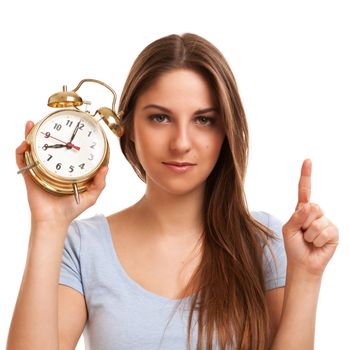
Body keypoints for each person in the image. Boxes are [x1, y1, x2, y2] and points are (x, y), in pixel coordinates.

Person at [8, 33, 338, 350]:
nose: (181, 143)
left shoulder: (265, 242)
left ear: (226, 131)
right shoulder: (82, 247)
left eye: (203, 120)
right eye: (160, 118)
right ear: (129, 128)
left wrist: (307, 277)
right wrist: (48, 223)